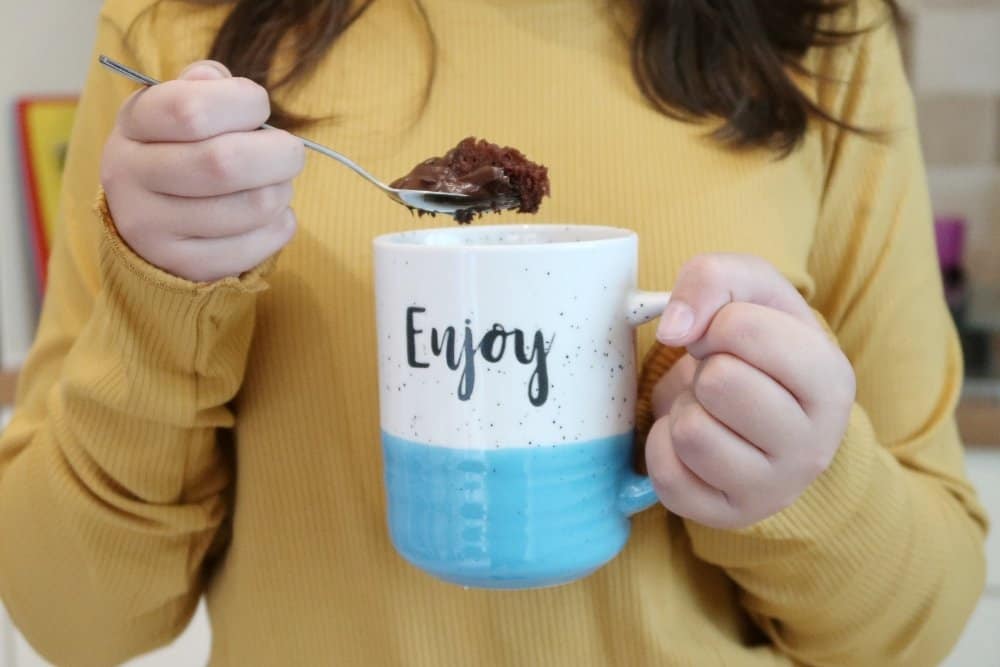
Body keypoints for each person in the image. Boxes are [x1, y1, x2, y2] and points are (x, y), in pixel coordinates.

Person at [0, 0, 988, 665]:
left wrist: (799, 480)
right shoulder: (182, 38)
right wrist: (163, 288)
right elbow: (77, 618)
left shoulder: (820, 30)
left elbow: (922, 618)